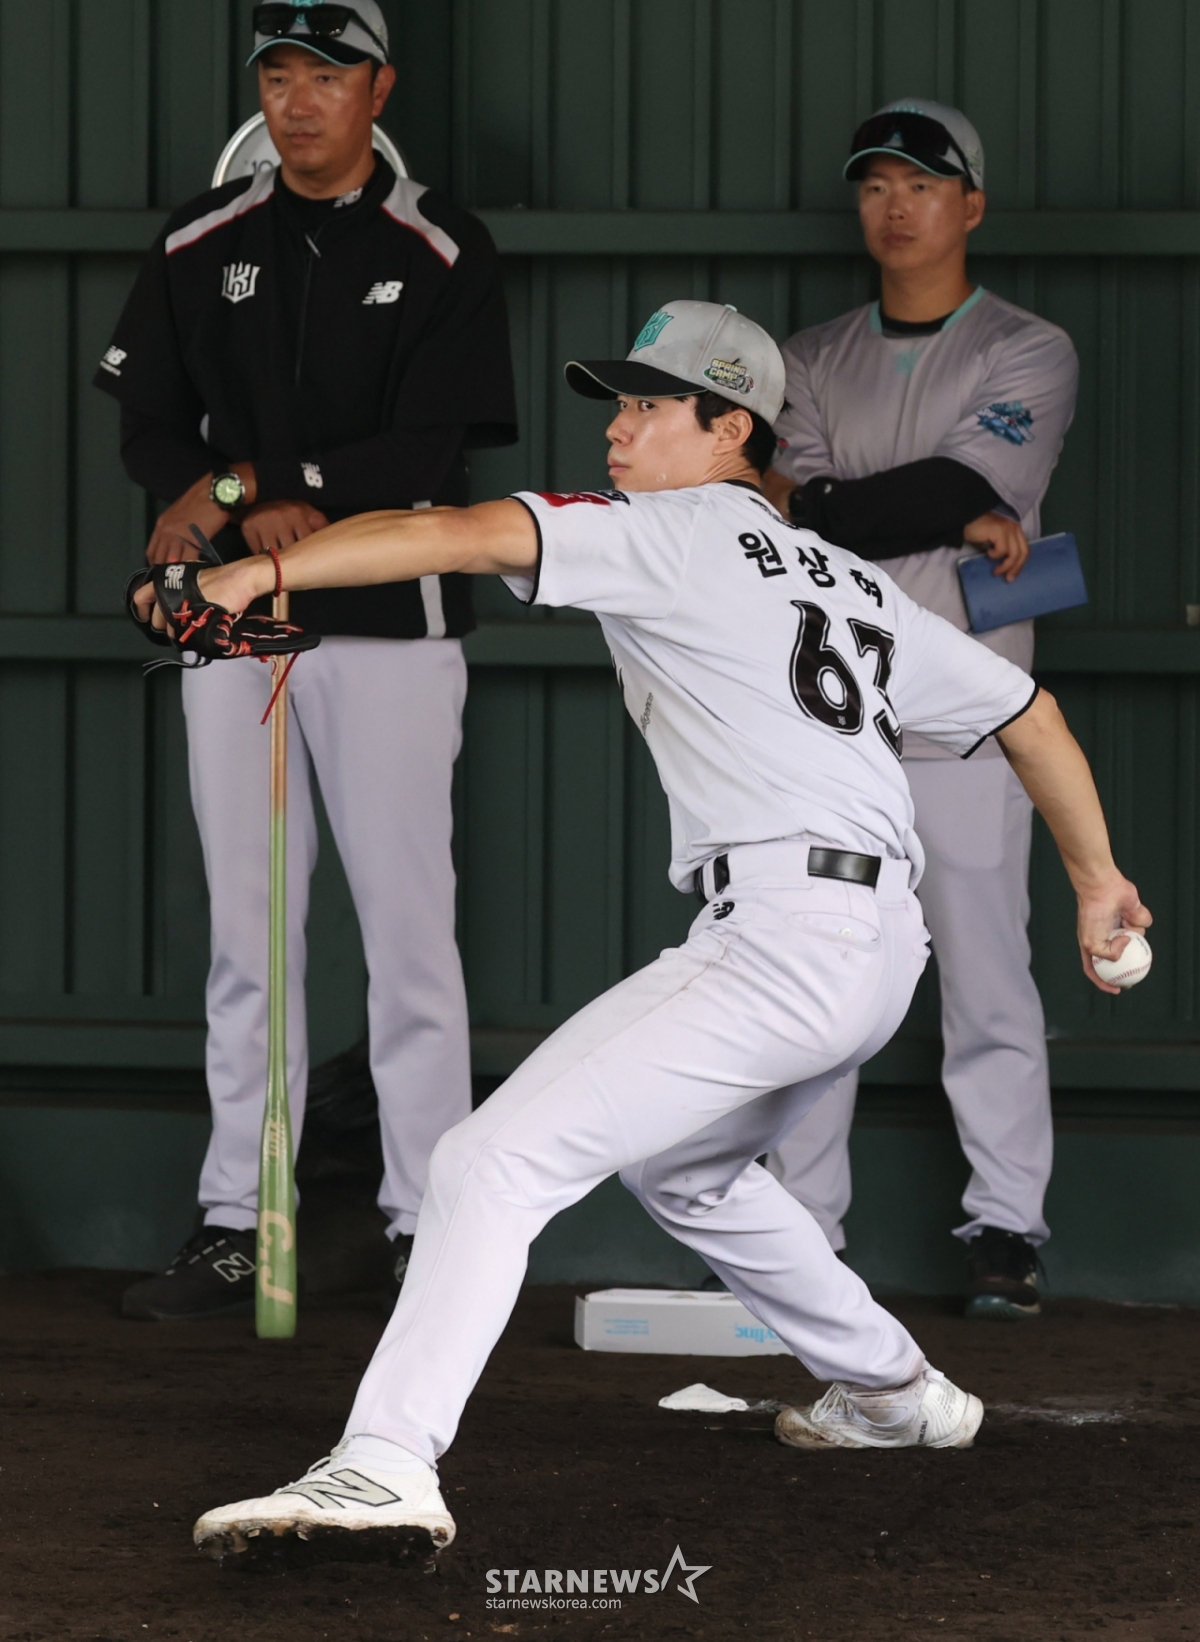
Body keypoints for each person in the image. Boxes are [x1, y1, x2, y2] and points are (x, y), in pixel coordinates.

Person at [130, 298, 1146, 1555]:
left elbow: (442, 530)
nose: (620, 428)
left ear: (732, 430)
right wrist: (1098, 878)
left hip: (781, 935)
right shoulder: (850, 580)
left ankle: (385, 1463)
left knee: (482, 1164)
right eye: (618, 402)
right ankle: (896, 1391)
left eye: (651, 404)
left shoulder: (672, 534)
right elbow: (1026, 713)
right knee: (691, 1170)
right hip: (877, 943)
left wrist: (251, 565)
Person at [94, 1, 517, 1320]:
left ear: (377, 89)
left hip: (390, 611)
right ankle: (239, 1217)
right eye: (278, 75)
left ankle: (424, 1225)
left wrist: (274, 492)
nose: (298, 99)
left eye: (325, 75)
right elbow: (157, 430)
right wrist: (229, 488)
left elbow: (431, 458)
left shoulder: (442, 243)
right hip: (239, 609)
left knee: (408, 936)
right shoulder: (199, 237)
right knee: (251, 930)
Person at [762, 99, 1079, 1319]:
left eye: (922, 185)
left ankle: (1007, 1224)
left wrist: (870, 501)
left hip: (966, 706)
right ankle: (804, 1229)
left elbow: (931, 487)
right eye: (876, 186)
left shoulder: (1028, 347)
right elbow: (799, 509)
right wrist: (903, 510)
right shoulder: (813, 352)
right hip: (834, 709)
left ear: (971, 205)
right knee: (816, 965)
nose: (895, 208)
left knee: (988, 970)